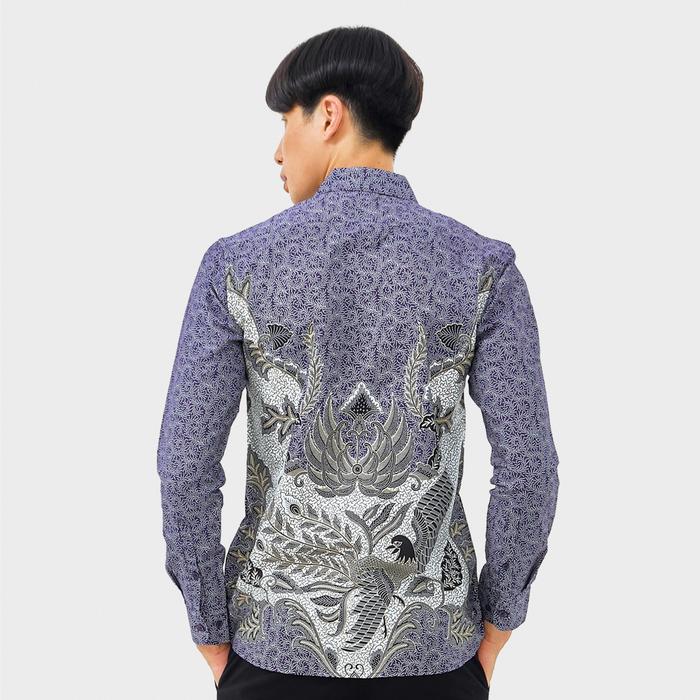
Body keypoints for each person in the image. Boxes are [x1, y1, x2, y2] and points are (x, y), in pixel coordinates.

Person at [157, 25, 560, 699]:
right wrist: (497, 627)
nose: (277, 151)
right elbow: (530, 467)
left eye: (285, 122)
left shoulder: (235, 266)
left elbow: (184, 463)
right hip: (435, 656)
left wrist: (210, 630)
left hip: (272, 651)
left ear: (329, 115)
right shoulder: (481, 268)